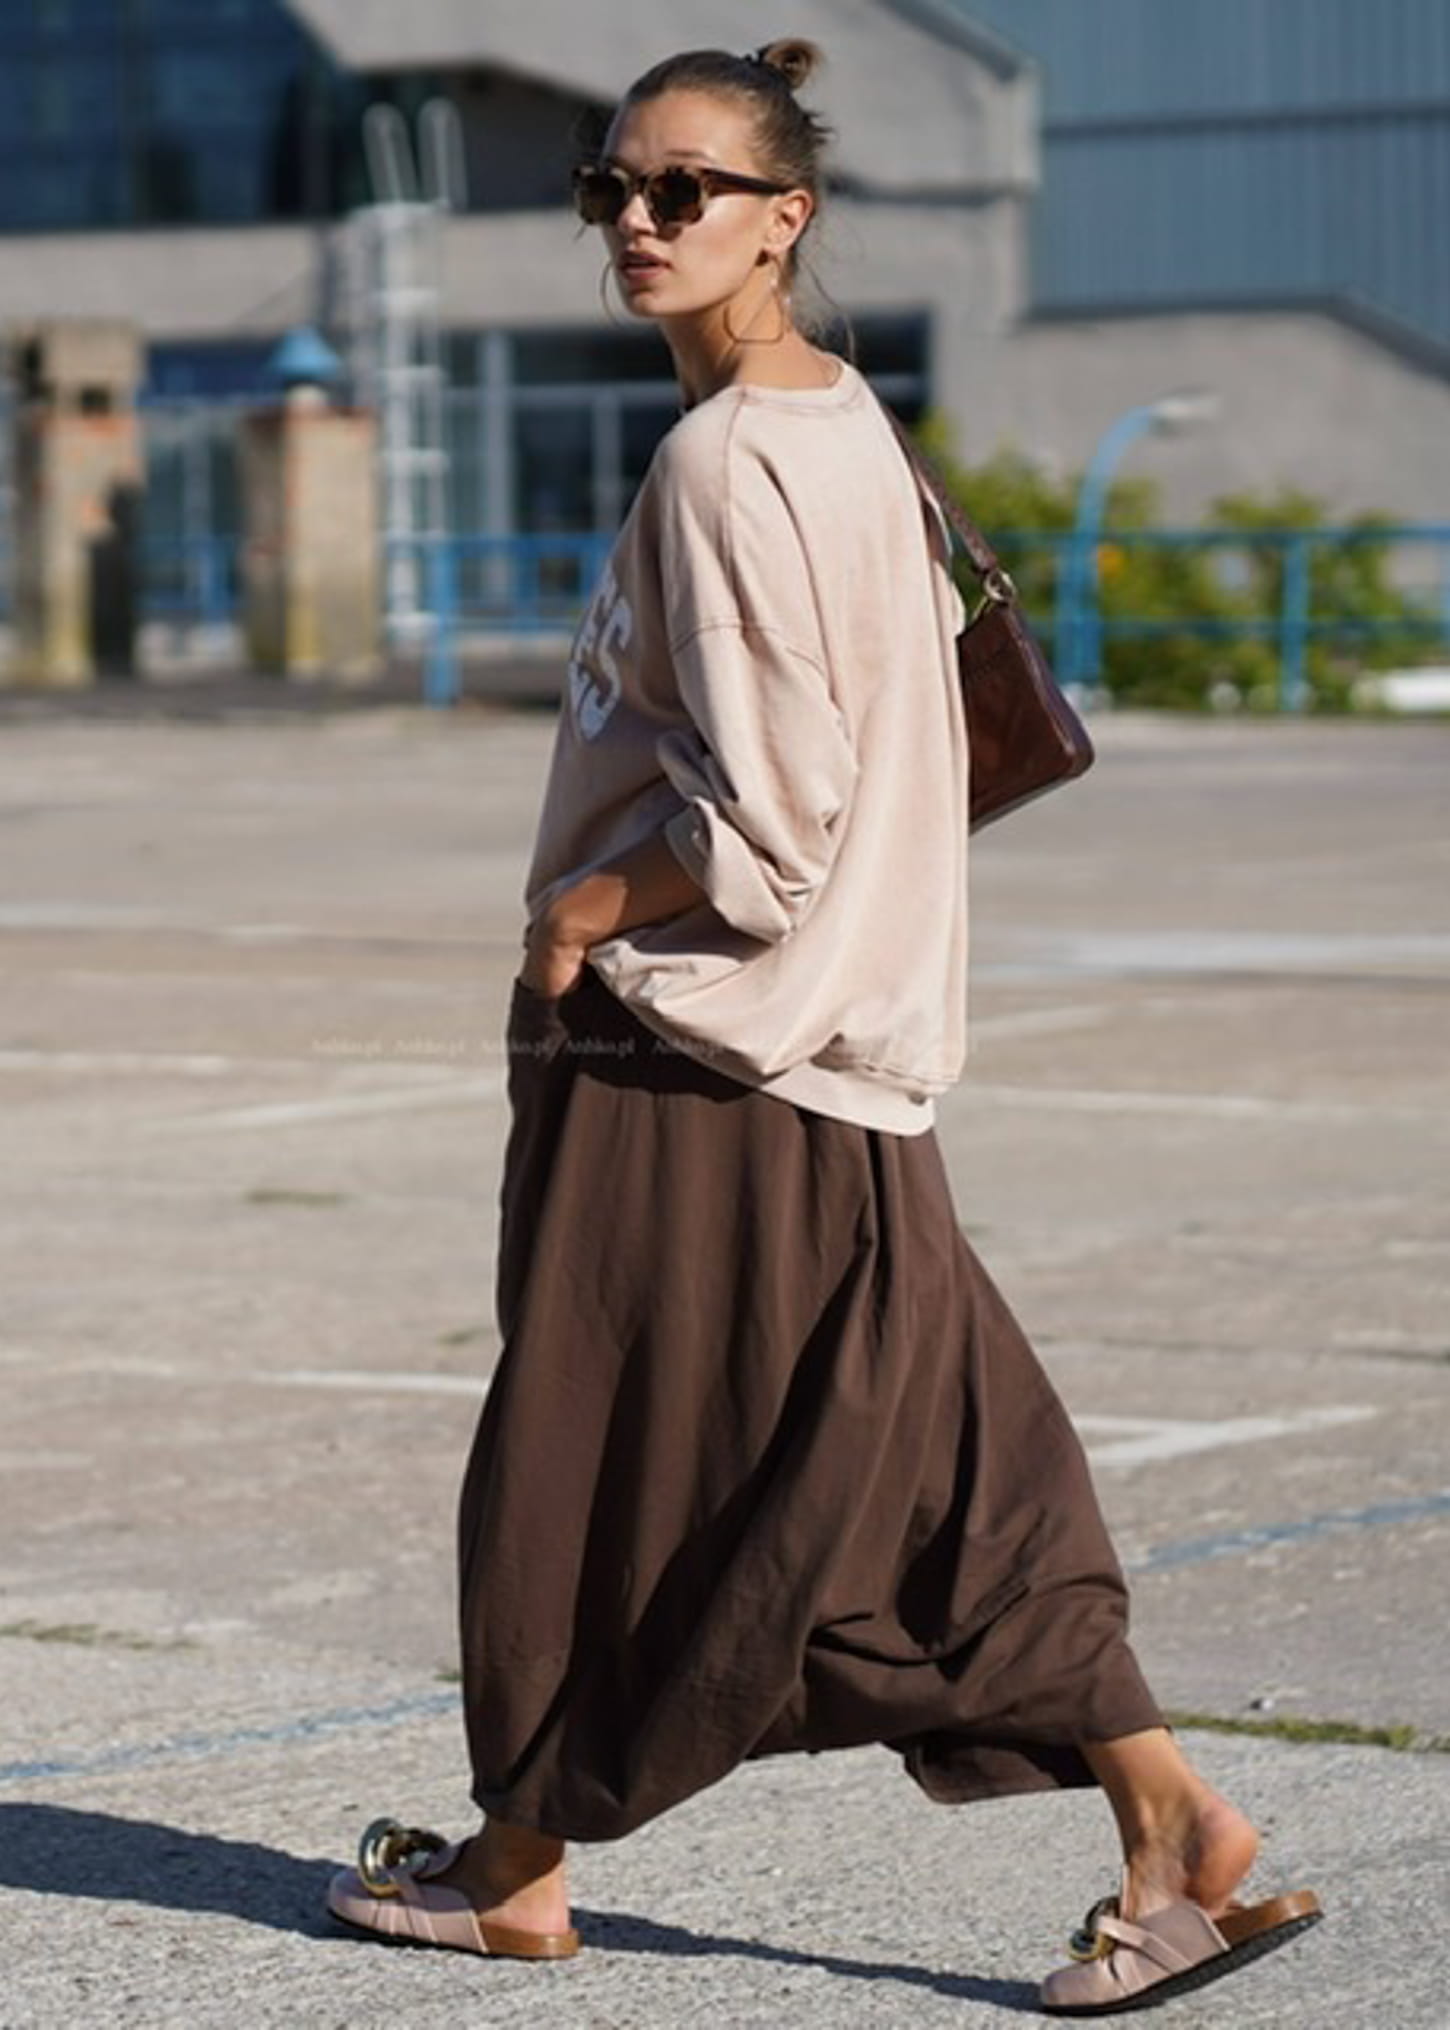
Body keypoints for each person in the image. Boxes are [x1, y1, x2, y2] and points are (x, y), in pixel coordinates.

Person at [326, 39, 1321, 2013]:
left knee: (596, 1453)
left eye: (681, 189)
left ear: (782, 216)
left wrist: (574, 910)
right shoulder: (840, 420)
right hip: (838, 1050)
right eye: (610, 188)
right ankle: (1170, 1823)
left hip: (696, 1043)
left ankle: (521, 1863)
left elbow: (768, 830)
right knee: (938, 1453)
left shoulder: (719, 464)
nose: (635, 220)